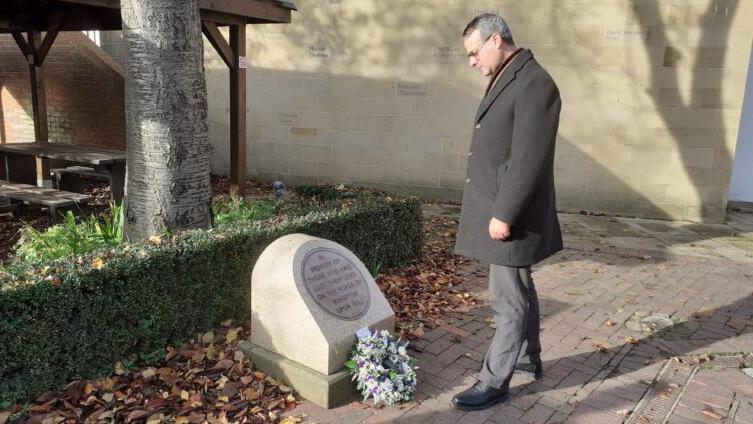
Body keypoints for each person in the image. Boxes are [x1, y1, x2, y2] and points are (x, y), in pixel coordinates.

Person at [451, 13, 563, 411]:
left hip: (511, 216)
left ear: (496, 39)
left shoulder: (535, 83)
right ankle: (529, 360)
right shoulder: (508, 75)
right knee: (520, 289)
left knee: (507, 299)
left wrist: (505, 214)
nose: (472, 61)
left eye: (474, 52)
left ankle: (493, 381)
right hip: (502, 209)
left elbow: (529, 158)